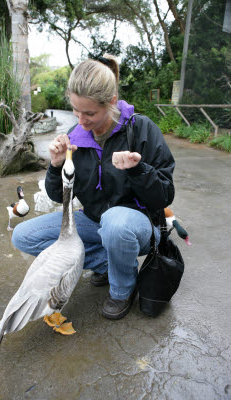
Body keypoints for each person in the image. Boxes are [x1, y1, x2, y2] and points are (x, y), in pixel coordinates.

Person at [12, 54, 175, 320]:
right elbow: (58, 196)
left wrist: (138, 170)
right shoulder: (76, 137)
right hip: (94, 221)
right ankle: (110, 264)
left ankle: (123, 289)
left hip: (138, 227)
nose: (81, 120)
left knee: (115, 222)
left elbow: (164, 195)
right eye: (76, 111)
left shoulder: (141, 129)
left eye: (89, 113)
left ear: (111, 102)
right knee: (24, 235)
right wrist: (55, 165)